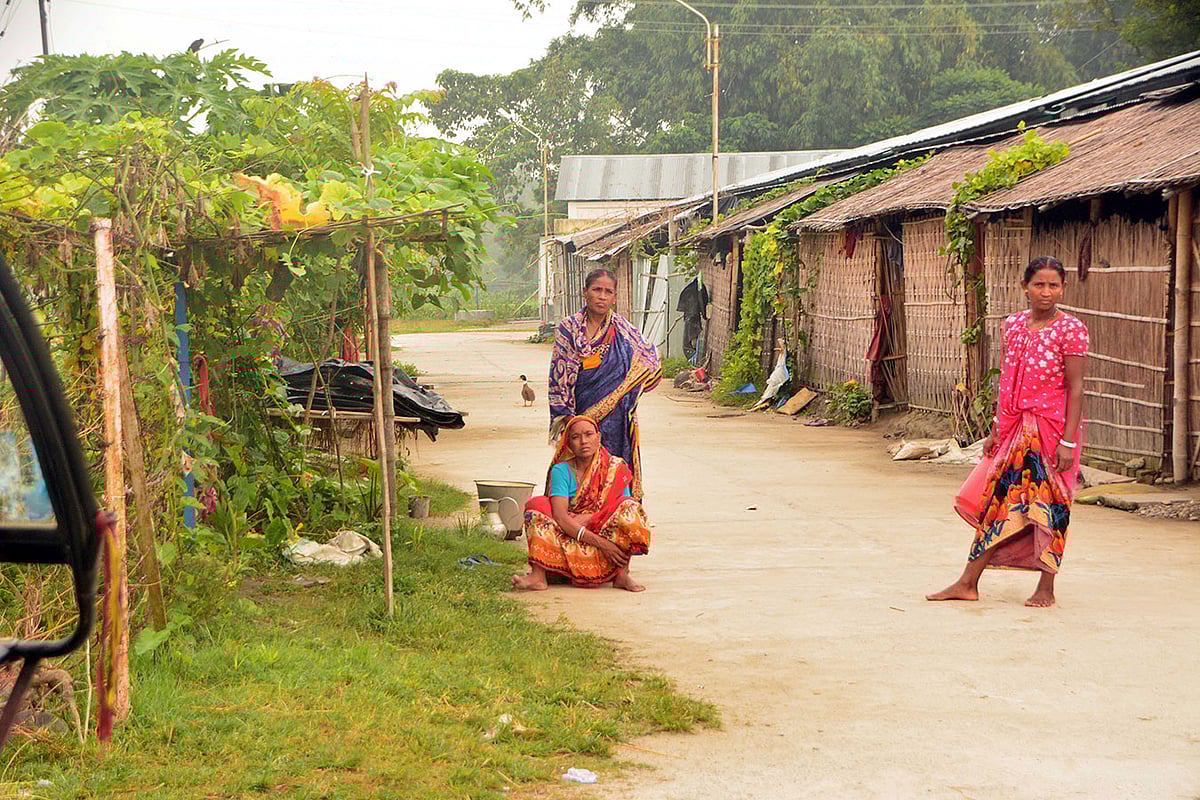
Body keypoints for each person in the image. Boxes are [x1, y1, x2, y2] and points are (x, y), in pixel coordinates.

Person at [927, 256, 1088, 608]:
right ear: (1024, 287)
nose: (1046, 292)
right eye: (1039, 285)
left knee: (1053, 506)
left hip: (1052, 432)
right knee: (998, 504)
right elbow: (1007, 380)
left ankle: (1046, 586)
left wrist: (1068, 441)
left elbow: (1076, 389)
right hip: (1016, 431)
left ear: (1063, 288)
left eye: (1053, 285)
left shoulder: (1071, 329)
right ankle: (968, 582)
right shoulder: (1012, 325)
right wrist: (998, 428)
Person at [548, 268, 661, 500]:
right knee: (577, 467)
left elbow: (651, 362)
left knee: (613, 468)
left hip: (617, 419)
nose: (602, 296)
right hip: (580, 415)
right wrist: (567, 418)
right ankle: (573, 517)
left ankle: (615, 517)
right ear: (585, 293)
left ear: (614, 298)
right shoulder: (568, 329)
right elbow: (558, 377)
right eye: (596, 290)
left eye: (608, 292)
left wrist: (629, 387)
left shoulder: (623, 330)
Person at [513, 416, 651, 592]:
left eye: (588, 434)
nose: (583, 441)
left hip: (609, 549)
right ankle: (538, 576)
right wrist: (599, 542)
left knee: (630, 508)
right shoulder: (561, 470)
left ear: (598, 437)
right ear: (568, 443)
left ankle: (622, 574)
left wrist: (590, 518)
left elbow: (619, 509)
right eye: (575, 437)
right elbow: (560, 517)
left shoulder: (615, 468)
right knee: (537, 505)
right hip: (569, 538)